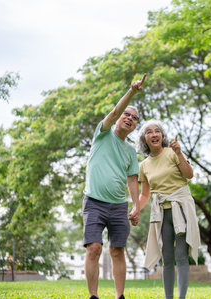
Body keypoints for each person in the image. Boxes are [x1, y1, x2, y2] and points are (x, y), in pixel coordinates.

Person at [82, 74, 146, 299]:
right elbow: (114, 113)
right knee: (94, 248)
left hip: (118, 206)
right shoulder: (103, 133)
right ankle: (94, 296)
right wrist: (132, 91)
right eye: (127, 114)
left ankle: (120, 297)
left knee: (118, 250)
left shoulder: (130, 151)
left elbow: (132, 180)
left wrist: (136, 207)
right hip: (94, 201)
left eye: (134, 118)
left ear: (136, 126)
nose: (129, 118)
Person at [136, 120, 201, 299]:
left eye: (157, 131)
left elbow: (189, 175)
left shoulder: (173, 153)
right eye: (149, 132)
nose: (154, 134)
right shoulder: (144, 166)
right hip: (162, 213)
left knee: (181, 255)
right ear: (144, 139)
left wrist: (179, 153)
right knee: (167, 258)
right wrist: (135, 210)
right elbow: (145, 195)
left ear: (162, 136)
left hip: (180, 208)